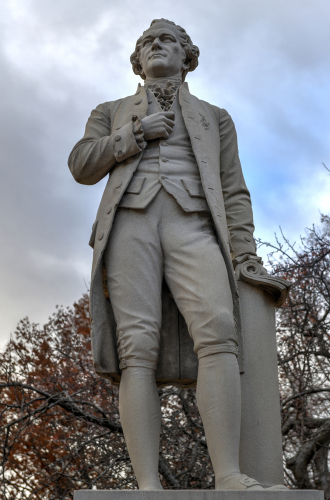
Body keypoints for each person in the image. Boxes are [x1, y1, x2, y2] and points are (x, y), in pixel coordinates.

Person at [68, 18, 286, 491]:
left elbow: (234, 191)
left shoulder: (215, 116)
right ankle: (147, 483)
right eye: (146, 42)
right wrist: (134, 135)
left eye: (166, 40)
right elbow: (81, 164)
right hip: (131, 222)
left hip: (193, 223)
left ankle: (228, 473)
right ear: (137, 61)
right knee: (137, 347)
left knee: (220, 331)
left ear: (187, 56)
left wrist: (244, 252)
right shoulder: (110, 110)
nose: (155, 46)